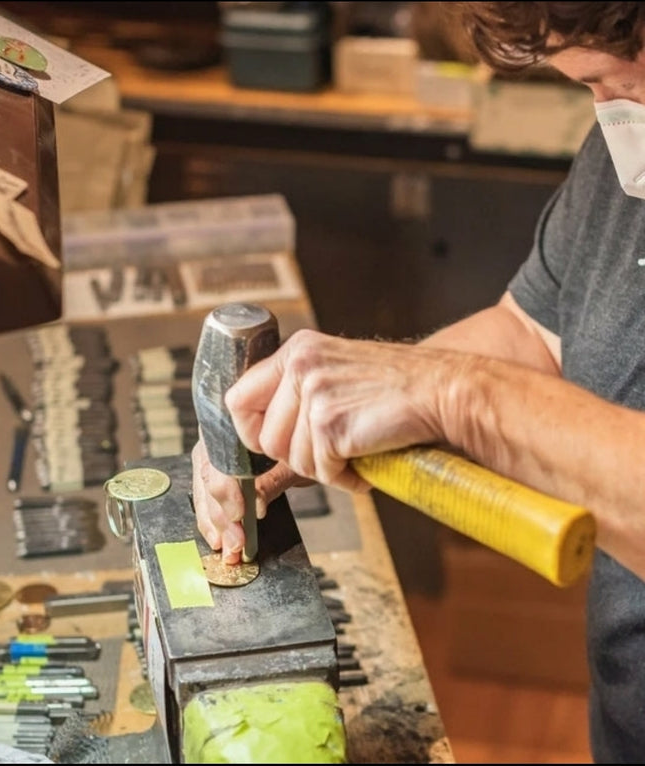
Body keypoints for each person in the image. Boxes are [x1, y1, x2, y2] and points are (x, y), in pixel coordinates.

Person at [190, 2, 645, 762]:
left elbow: (479, 384)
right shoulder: (620, 152)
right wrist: (339, 402)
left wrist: (457, 395)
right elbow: (534, 331)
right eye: (583, 86)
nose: (608, 113)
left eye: (609, 77)